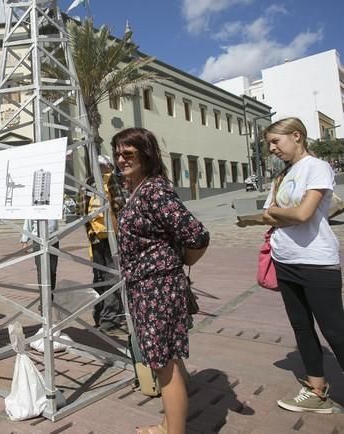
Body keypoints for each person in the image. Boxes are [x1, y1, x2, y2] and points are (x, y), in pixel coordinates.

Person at [111, 128, 209, 434]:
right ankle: (168, 424)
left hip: (158, 289)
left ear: (146, 154)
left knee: (164, 367)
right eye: (117, 153)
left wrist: (183, 261)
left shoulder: (154, 191)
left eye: (128, 153)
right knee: (167, 361)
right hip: (146, 287)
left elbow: (197, 234)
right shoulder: (140, 190)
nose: (120, 159)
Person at [261, 117, 343, 414]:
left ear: (297, 136)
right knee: (302, 328)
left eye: (275, 141)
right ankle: (316, 390)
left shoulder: (317, 167)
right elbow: (268, 214)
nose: (271, 148)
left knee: (334, 330)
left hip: (317, 261)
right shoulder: (282, 176)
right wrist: (282, 212)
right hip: (285, 259)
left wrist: (278, 212)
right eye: (269, 143)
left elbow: (304, 214)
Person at [81, 154, 126, 332]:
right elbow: (119, 205)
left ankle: (104, 316)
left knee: (104, 276)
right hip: (105, 237)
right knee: (108, 276)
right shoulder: (104, 181)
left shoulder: (90, 182)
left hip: (102, 236)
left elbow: (81, 211)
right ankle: (107, 316)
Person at [20, 219, 59, 292]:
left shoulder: (54, 207)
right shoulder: (34, 207)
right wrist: (25, 240)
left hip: (53, 239)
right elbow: (28, 223)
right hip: (38, 240)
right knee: (41, 269)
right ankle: (43, 296)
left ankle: (50, 293)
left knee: (52, 269)